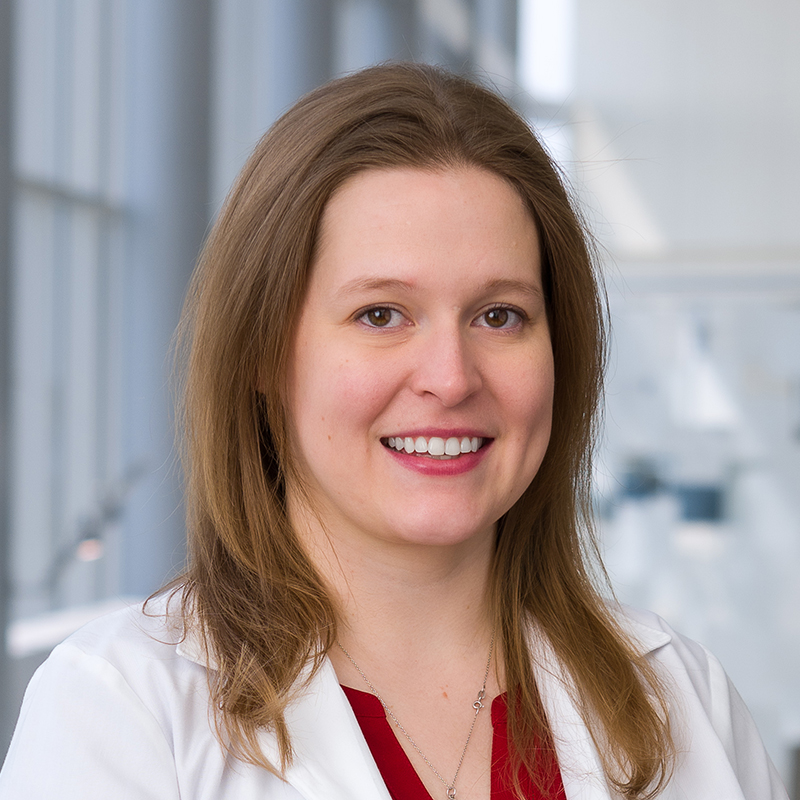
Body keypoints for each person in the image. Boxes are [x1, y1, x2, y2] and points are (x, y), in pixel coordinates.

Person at [0, 63, 788, 800]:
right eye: (381, 314)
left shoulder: (685, 698)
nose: (450, 376)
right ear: (262, 352)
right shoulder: (121, 710)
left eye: (499, 315)